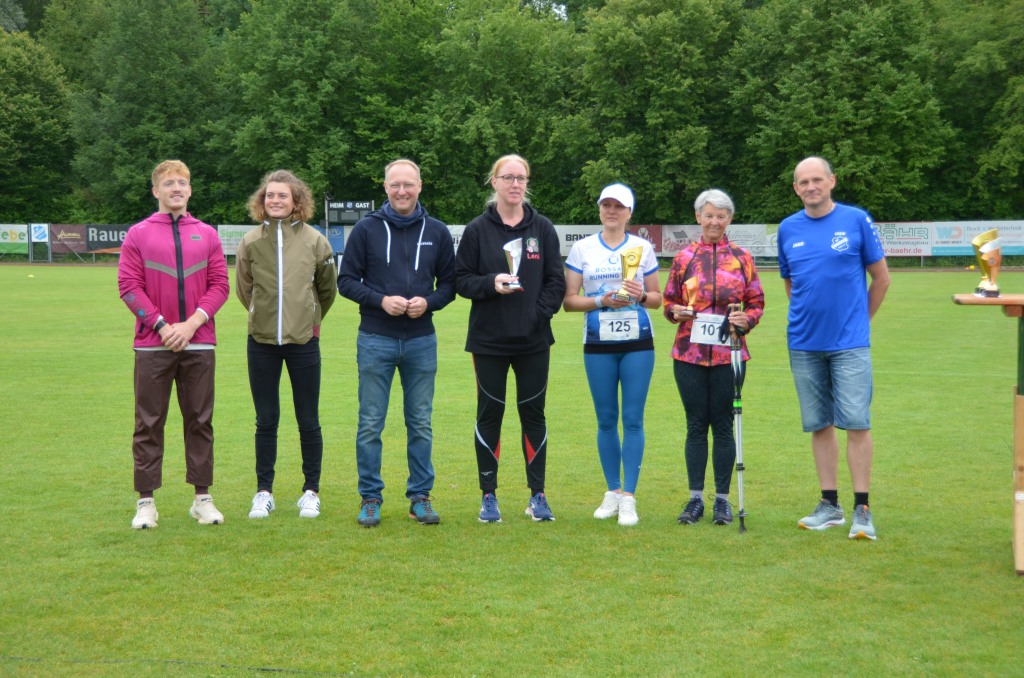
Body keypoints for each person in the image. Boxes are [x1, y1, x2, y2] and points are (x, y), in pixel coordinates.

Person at [338, 159, 456, 527]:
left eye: (408, 184)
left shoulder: (437, 231)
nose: (401, 191)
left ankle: (420, 496)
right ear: (385, 187)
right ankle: (370, 498)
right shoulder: (366, 229)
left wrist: (429, 302)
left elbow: (450, 285)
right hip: (375, 339)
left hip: (421, 341)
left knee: (420, 422)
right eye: (394, 184)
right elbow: (346, 281)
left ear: (420, 186)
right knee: (370, 423)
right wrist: (380, 300)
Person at [779, 156, 890, 540]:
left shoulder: (856, 220)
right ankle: (829, 505)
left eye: (817, 179)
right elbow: (792, 284)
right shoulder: (787, 228)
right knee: (819, 424)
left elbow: (881, 279)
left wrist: (860, 321)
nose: (811, 187)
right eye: (803, 182)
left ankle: (862, 509)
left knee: (857, 423)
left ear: (832, 181)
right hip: (804, 343)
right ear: (796, 188)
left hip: (849, 345)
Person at [118, 159, 230, 529]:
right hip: (153, 343)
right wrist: (163, 326)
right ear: (156, 190)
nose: (176, 188)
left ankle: (202, 499)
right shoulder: (138, 234)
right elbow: (128, 287)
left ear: (190, 190)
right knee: (148, 422)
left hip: (199, 343)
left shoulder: (207, 234)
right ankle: (146, 502)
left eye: (182, 183)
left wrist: (192, 323)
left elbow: (220, 286)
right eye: (169, 183)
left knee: (200, 420)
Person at [454, 154, 566, 523]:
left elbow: (556, 281)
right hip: (488, 341)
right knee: (490, 414)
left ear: (527, 182)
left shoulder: (542, 228)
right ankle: (489, 496)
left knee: (533, 414)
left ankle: (538, 496)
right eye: (508, 177)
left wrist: (536, 315)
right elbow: (461, 280)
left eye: (521, 177)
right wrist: (491, 283)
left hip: (533, 340)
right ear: (495, 182)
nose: (515, 184)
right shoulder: (477, 230)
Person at [235, 170, 337, 520]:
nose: (275, 200)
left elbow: (327, 289)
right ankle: (264, 492)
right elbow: (244, 289)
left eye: (282, 195)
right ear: (262, 201)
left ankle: (311, 491)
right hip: (261, 341)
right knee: (266, 420)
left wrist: (310, 318)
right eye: (270, 195)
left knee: (308, 419)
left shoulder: (315, 241)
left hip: (303, 341)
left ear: (297, 201)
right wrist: (261, 315)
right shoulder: (251, 241)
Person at [664, 189, 764, 527]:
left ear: (729, 219)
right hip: (689, 354)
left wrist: (747, 319)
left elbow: (756, 301)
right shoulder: (684, 258)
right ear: (698, 217)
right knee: (695, 425)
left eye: (721, 216)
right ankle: (695, 499)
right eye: (708, 215)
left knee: (723, 426)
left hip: (729, 354)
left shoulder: (742, 258)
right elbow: (669, 301)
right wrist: (674, 311)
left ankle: (722, 501)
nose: (714, 221)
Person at [563, 183, 662, 526]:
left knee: (633, 420)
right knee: (606, 420)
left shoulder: (642, 247)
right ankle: (613, 491)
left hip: (638, 343)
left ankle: (629, 497)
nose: (612, 211)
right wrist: (600, 300)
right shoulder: (582, 248)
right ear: (600, 209)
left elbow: (657, 298)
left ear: (629, 212)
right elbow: (569, 301)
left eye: (619, 206)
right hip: (598, 344)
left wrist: (640, 295)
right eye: (606, 205)